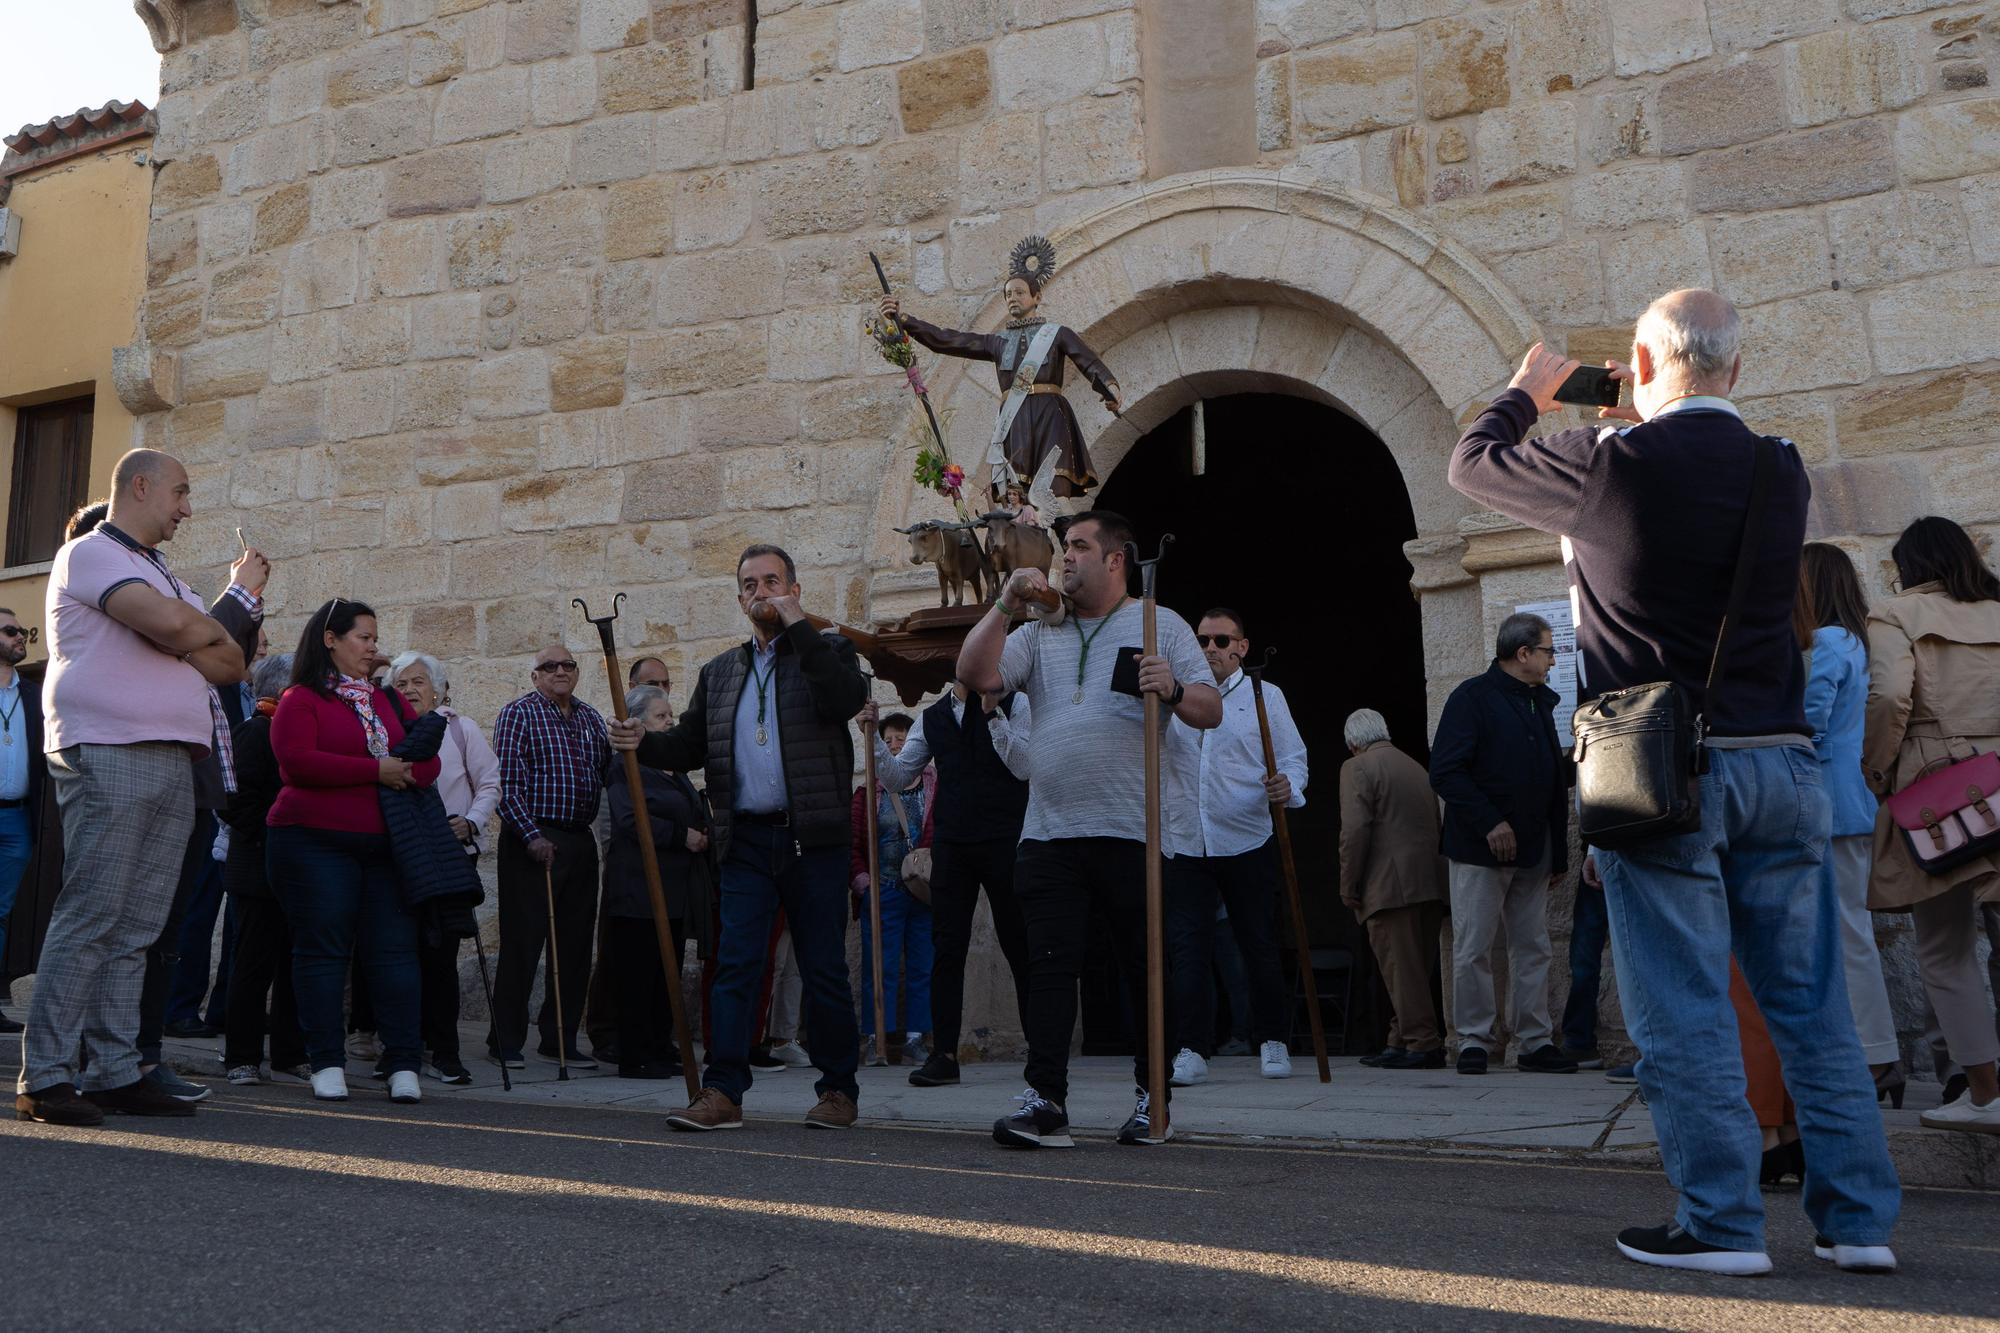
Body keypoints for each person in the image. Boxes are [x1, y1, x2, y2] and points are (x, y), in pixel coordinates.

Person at [1450, 288, 1899, 1275]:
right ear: (1733, 371)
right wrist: (1649, 410)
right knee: (1811, 1004)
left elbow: (1470, 464)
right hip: (1778, 759)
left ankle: (1721, 1223)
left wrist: (1525, 392)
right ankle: (1857, 1220)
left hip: (1659, 771)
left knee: (1683, 1005)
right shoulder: (1779, 468)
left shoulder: (1604, 464)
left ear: (1640, 369)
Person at [957, 510, 1221, 1148]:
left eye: (1078, 546)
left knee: (1142, 969)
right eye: (1063, 547)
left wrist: (1176, 686)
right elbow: (974, 676)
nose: (1064, 558)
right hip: (1048, 832)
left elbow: (1210, 709)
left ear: (1115, 559)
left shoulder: (1160, 624)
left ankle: (1150, 1099)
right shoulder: (1038, 631)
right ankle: (1046, 1100)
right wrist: (1004, 604)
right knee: (1049, 970)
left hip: (1133, 829)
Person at [16, 450, 248, 1127]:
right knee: (94, 911)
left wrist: (181, 626)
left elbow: (230, 660)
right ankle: (47, 1074)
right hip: (110, 746)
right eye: (179, 491)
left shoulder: (158, 571)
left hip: (172, 755)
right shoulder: (91, 553)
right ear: (139, 487)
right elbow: (184, 630)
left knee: (138, 924)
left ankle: (116, 1070)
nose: (187, 507)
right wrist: (184, 629)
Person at [608, 544, 869, 1131]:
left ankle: (837, 1091)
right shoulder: (721, 671)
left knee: (824, 968)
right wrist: (641, 742)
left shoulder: (829, 651)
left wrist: (799, 625)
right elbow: (688, 746)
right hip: (746, 841)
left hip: (813, 841)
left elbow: (844, 699)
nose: (761, 592)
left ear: (795, 590)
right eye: (750, 584)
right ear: (739, 598)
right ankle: (723, 1089)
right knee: (736, 966)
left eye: (773, 581)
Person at [267, 600, 440, 1105]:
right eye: (363, 637)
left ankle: (404, 1063)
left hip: (384, 845)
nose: (372, 647)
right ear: (331, 639)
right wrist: (376, 770)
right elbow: (297, 763)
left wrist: (401, 770)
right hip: (312, 841)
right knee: (323, 952)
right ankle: (325, 1061)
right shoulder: (300, 698)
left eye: (373, 638)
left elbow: (424, 761)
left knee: (393, 954)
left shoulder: (387, 702)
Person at [1863, 516, 2000, 1135]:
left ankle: (1985, 1093)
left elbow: (1890, 696)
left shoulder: (1896, 615)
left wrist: (1878, 770)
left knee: (1945, 950)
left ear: (1908, 565)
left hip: (1940, 790)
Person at [876, 235, 1122, 525]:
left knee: (1054, 494)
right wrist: (905, 320)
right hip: (1014, 422)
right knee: (1014, 497)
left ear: (1036, 297)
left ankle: (1073, 545)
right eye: (1008, 295)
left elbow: (1088, 361)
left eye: (1019, 293)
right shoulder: (998, 343)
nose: (1013, 299)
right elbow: (951, 340)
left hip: (1050, 417)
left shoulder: (1057, 334)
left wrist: (1109, 387)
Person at [863, 672, 1032, 1088]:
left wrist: (994, 715)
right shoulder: (932, 717)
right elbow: (900, 777)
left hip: (1005, 838)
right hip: (953, 844)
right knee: (947, 948)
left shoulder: (1017, 703)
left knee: (1020, 944)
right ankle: (944, 1055)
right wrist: (870, 737)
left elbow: (1024, 765)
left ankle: (1042, 1050)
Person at [1428, 612, 1577, 1077]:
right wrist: (1491, 822)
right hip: (1479, 849)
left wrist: (1558, 852)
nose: (1555, 660)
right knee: (1473, 946)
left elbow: (1551, 781)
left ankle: (1533, 1042)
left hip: (1535, 850)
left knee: (1533, 947)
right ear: (1524, 653)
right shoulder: (1472, 697)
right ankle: (1474, 1040)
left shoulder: (1540, 702)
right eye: (1550, 651)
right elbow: (1446, 771)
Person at [1163, 608, 1306, 1085]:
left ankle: (1272, 1040)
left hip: (1246, 836)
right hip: (1185, 838)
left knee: (1258, 944)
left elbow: (1292, 757)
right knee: (1187, 951)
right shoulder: (1175, 696)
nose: (1211, 649)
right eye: (1203, 640)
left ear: (1242, 647)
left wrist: (1288, 785)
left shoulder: (1266, 696)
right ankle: (1190, 1047)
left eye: (1222, 640)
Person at [1800, 544, 1902, 1104]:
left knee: (1846, 933)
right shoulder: (1858, 639)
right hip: (1850, 800)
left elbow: (1810, 722)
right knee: (1847, 931)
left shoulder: (1830, 641)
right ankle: (1871, 1053)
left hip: (1830, 802)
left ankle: (1878, 1054)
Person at [489, 643, 612, 1069]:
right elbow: (506, 783)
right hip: (533, 839)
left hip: (579, 841)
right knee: (523, 942)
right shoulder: (519, 714)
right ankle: (504, 1039)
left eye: (568, 665)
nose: (560, 671)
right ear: (535, 676)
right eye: (549, 666)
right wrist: (530, 836)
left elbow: (608, 772)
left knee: (575, 948)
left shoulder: (591, 718)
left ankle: (558, 1039)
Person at [389, 650, 499, 1086]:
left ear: (437, 689)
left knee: (440, 959)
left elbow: (490, 781)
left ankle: (445, 1051)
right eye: (401, 684)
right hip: (400, 859)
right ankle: (403, 1048)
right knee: (399, 956)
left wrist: (470, 821)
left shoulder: (459, 729)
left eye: (418, 682)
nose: (411, 690)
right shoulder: (385, 732)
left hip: (449, 858)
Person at [601, 683, 710, 1079]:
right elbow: (630, 819)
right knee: (638, 975)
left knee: (667, 972)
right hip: (639, 889)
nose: (670, 722)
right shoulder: (625, 764)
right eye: (661, 717)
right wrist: (682, 836)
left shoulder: (674, 766)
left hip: (675, 888)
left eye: (670, 716)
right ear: (639, 722)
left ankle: (661, 1046)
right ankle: (635, 1054)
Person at [1337, 708, 1448, 1070]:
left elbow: (1354, 832)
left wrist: (1348, 884)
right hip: (1429, 882)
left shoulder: (1357, 767)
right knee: (1414, 967)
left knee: (1401, 970)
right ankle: (1398, 1039)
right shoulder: (1417, 768)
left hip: (1388, 886)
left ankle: (1422, 1043)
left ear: (1353, 742)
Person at [220, 652, 308, 1085]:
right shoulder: (254, 733)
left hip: (295, 871)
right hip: (257, 869)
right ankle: (242, 1057)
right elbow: (237, 800)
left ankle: (290, 1053)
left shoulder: (299, 735)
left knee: (295, 965)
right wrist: (276, 835)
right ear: (279, 689)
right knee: (253, 966)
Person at [848, 711, 936, 1066]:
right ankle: (875, 1037)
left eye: (901, 739)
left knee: (922, 965)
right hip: (882, 890)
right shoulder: (868, 791)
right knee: (878, 967)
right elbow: (852, 845)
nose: (895, 746)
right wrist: (863, 884)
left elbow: (940, 833)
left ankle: (916, 1037)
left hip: (925, 892)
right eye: (887, 741)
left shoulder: (935, 789)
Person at [0, 606, 46, 1035]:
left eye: (20, 631)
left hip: (17, 819)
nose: (20, 637)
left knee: (1, 911)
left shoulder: (33, 695)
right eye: (10, 631)